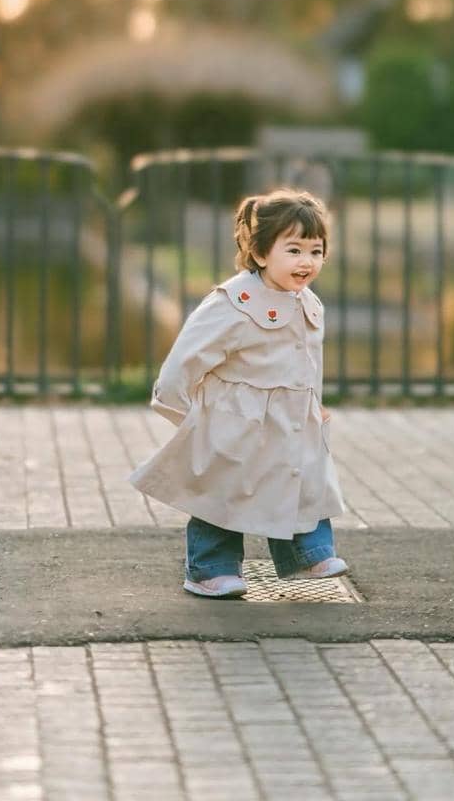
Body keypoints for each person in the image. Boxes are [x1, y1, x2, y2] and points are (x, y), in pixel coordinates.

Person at [128, 186, 348, 599]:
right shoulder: (234, 302)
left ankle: (309, 553)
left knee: (305, 480)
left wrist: (314, 405)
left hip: (291, 418)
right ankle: (210, 568)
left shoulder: (308, 301)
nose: (307, 261)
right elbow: (186, 357)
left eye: (316, 251)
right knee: (224, 491)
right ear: (261, 253)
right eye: (294, 250)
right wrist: (183, 414)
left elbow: (307, 360)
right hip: (237, 420)